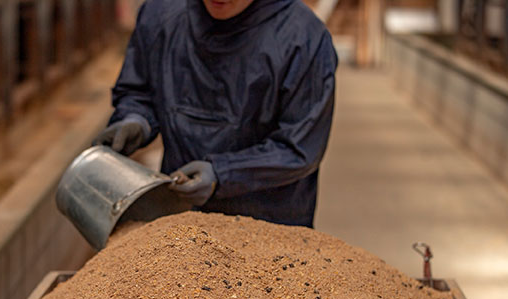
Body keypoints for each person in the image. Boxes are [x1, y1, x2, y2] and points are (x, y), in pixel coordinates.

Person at [94, 0, 337, 227]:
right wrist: (135, 120)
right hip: (181, 222)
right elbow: (139, 91)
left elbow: (299, 148)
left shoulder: (303, 39)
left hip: (269, 226)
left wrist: (224, 174)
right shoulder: (162, 15)